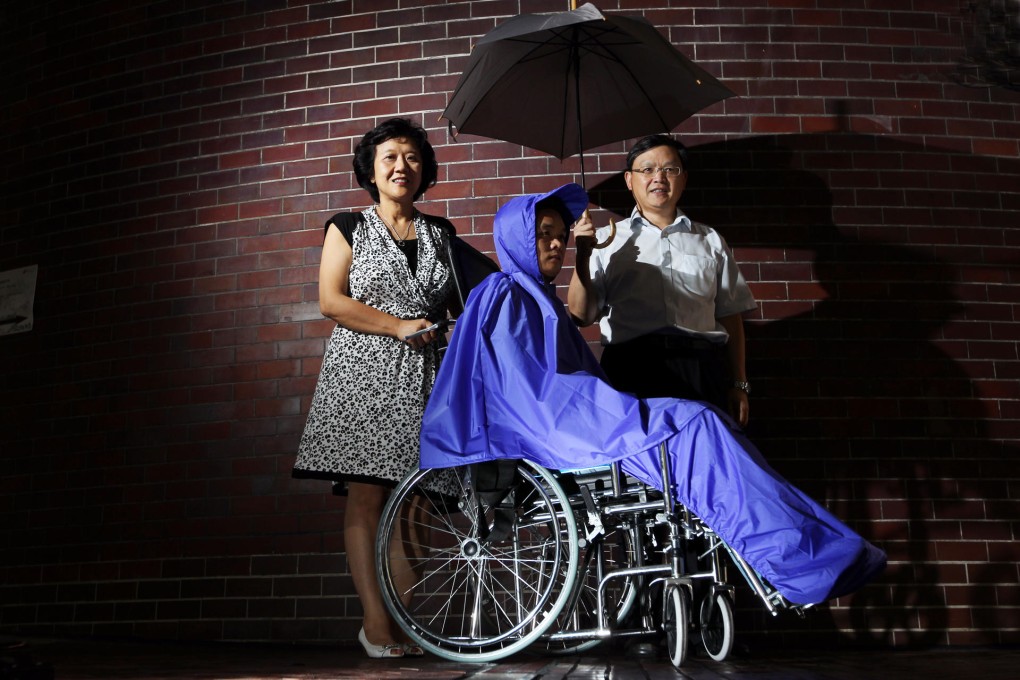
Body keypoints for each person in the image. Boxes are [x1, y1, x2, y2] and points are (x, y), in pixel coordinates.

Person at [420, 183, 885, 606]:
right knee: (698, 425)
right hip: (564, 430)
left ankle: (815, 553)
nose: (556, 243)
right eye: (544, 233)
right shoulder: (503, 293)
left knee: (707, 420)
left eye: (561, 233)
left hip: (587, 417)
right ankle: (802, 562)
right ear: (518, 238)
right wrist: (610, 410)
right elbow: (526, 392)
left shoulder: (538, 298)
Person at [292, 118, 457, 659]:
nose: (400, 167)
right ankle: (374, 623)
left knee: (415, 503)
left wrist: (448, 329)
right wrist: (397, 325)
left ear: (424, 169)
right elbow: (331, 301)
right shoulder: (347, 226)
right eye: (388, 157)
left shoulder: (442, 234)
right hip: (363, 373)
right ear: (370, 168)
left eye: (411, 157)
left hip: (426, 376)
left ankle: (404, 618)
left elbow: (455, 306)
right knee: (367, 497)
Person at [568, 135, 756, 427]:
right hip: (632, 367)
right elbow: (581, 315)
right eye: (647, 170)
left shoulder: (709, 240)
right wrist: (582, 255)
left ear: (684, 179)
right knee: (643, 468)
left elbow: (731, 315)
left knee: (702, 462)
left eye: (670, 169)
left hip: (701, 367)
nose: (659, 178)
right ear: (630, 180)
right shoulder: (604, 240)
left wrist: (739, 383)